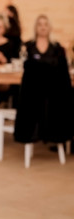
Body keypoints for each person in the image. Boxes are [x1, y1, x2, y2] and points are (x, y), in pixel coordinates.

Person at [14, 15, 74, 145]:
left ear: (49, 27)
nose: (42, 27)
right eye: (40, 24)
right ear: (35, 27)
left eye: (45, 24)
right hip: (31, 95)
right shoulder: (27, 47)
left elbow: (63, 73)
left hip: (53, 96)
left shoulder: (57, 48)